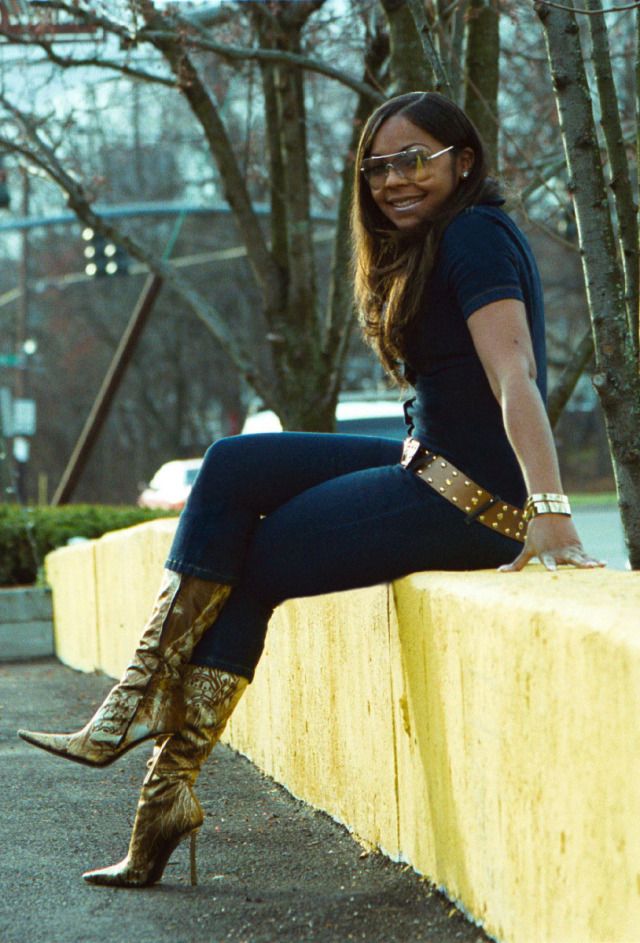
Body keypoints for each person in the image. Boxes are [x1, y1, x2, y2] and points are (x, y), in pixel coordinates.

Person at [18, 91, 603, 888]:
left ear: (462, 161)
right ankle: (136, 711)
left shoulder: (475, 234)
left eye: (414, 160)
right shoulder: (439, 239)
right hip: (425, 466)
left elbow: (516, 376)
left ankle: (161, 780)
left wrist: (551, 513)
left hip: (467, 502)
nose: (393, 180)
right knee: (232, 463)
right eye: (377, 167)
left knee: (251, 557)